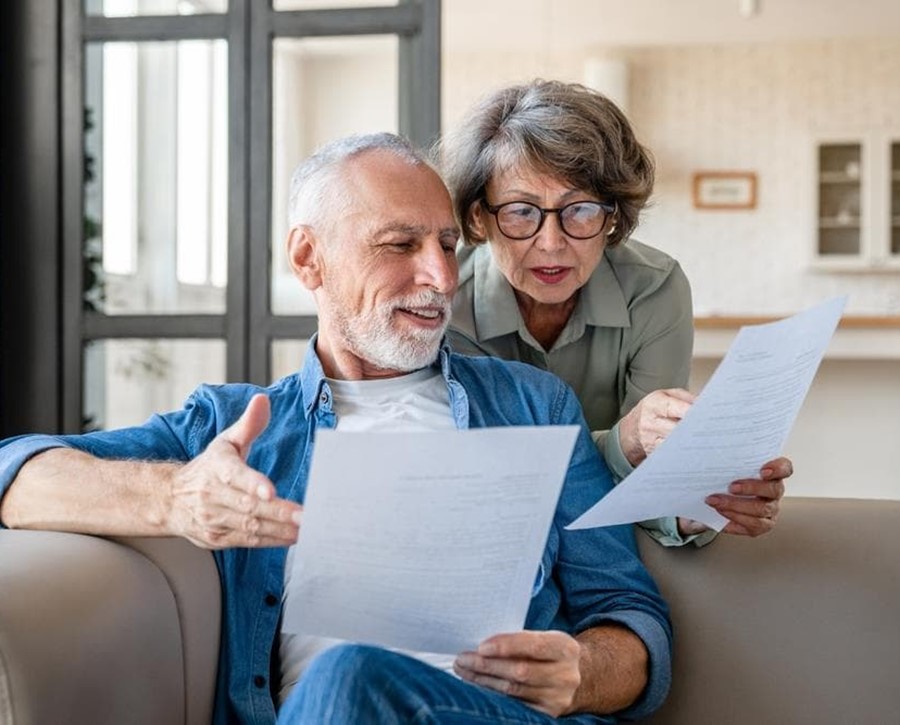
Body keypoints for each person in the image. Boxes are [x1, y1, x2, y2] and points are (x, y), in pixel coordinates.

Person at [0, 133, 672, 724]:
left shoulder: (537, 406)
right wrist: (177, 496)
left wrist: (583, 670)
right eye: (401, 244)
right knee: (344, 681)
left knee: (352, 672)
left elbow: (633, 621)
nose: (440, 276)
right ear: (308, 258)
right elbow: (15, 473)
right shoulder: (235, 425)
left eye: (445, 244)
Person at [438, 79, 790, 546]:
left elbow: (657, 475)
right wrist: (623, 443)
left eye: (581, 210)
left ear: (613, 217)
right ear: (480, 217)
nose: (551, 243)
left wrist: (697, 507)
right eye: (521, 212)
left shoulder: (655, 288)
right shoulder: (444, 302)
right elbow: (490, 479)